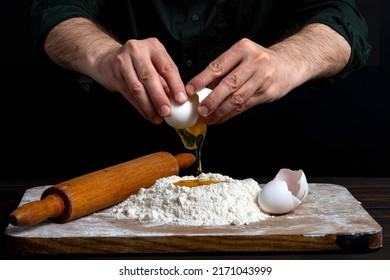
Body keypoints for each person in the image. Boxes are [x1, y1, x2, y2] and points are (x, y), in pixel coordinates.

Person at [31, 0, 371, 126]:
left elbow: (344, 20)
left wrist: (287, 59)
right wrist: (104, 55)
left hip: (265, 167)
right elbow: (56, 13)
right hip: (106, 153)